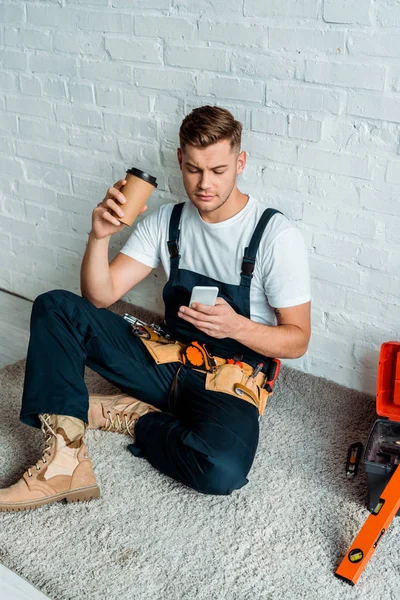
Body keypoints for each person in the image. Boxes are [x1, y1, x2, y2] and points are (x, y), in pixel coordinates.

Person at [0, 106, 311, 511]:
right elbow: (99, 296)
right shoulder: (168, 221)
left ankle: (137, 417)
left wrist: (236, 326)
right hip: (165, 359)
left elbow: (297, 340)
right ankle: (63, 464)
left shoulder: (274, 235)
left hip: (228, 378)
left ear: (241, 163)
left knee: (222, 470)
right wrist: (98, 237)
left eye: (218, 170)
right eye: (194, 169)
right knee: (56, 307)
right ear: (180, 160)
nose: (204, 184)